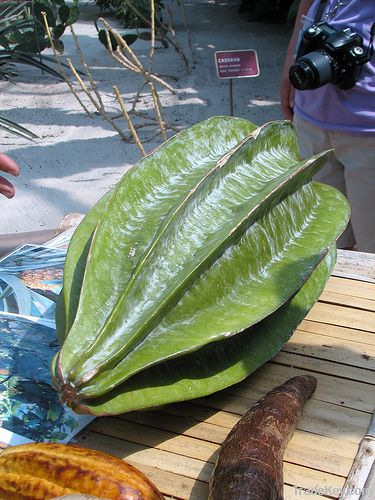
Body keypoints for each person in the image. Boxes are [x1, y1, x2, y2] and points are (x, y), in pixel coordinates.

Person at [280, 0, 375, 253]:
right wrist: (291, 61)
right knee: (320, 247)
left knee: (370, 258)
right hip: (311, 118)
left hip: (369, 132)